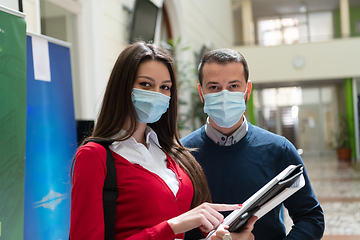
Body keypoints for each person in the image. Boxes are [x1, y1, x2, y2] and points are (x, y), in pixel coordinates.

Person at [69, 42, 256, 240]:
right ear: (122, 87)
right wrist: (173, 226)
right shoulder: (94, 156)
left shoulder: (173, 154)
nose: (157, 94)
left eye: (165, 87)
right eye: (146, 84)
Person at [181, 48, 325, 240]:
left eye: (233, 86)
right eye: (214, 87)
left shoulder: (279, 150)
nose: (224, 95)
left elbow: (310, 217)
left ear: (247, 90)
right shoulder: (181, 155)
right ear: (201, 92)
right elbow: (167, 224)